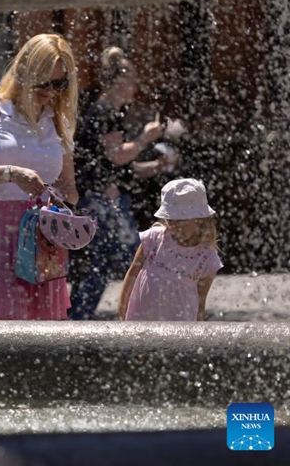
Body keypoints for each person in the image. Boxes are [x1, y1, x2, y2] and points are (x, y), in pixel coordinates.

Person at [0, 33, 79, 320]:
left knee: (42, 330)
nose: (51, 91)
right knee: (1, 328)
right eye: (44, 81)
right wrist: (10, 174)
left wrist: (66, 200)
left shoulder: (59, 122)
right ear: (24, 71)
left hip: (42, 233)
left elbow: (69, 188)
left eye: (60, 83)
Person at [68, 46, 181, 320]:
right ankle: (146, 314)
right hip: (101, 202)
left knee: (102, 263)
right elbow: (116, 156)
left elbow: (121, 169)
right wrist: (145, 138)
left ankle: (78, 317)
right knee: (133, 257)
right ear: (120, 83)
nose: (136, 87)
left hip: (103, 199)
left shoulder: (107, 111)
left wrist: (156, 166)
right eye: (132, 81)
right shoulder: (105, 111)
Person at [118, 178, 222, 321]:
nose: (174, 227)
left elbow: (201, 299)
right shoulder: (154, 239)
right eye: (170, 220)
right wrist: (122, 308)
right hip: (141, 317)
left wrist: (197, 332)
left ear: (200, 219)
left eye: (181, 221)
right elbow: (132, 274)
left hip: (178, 324)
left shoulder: (206, 258)